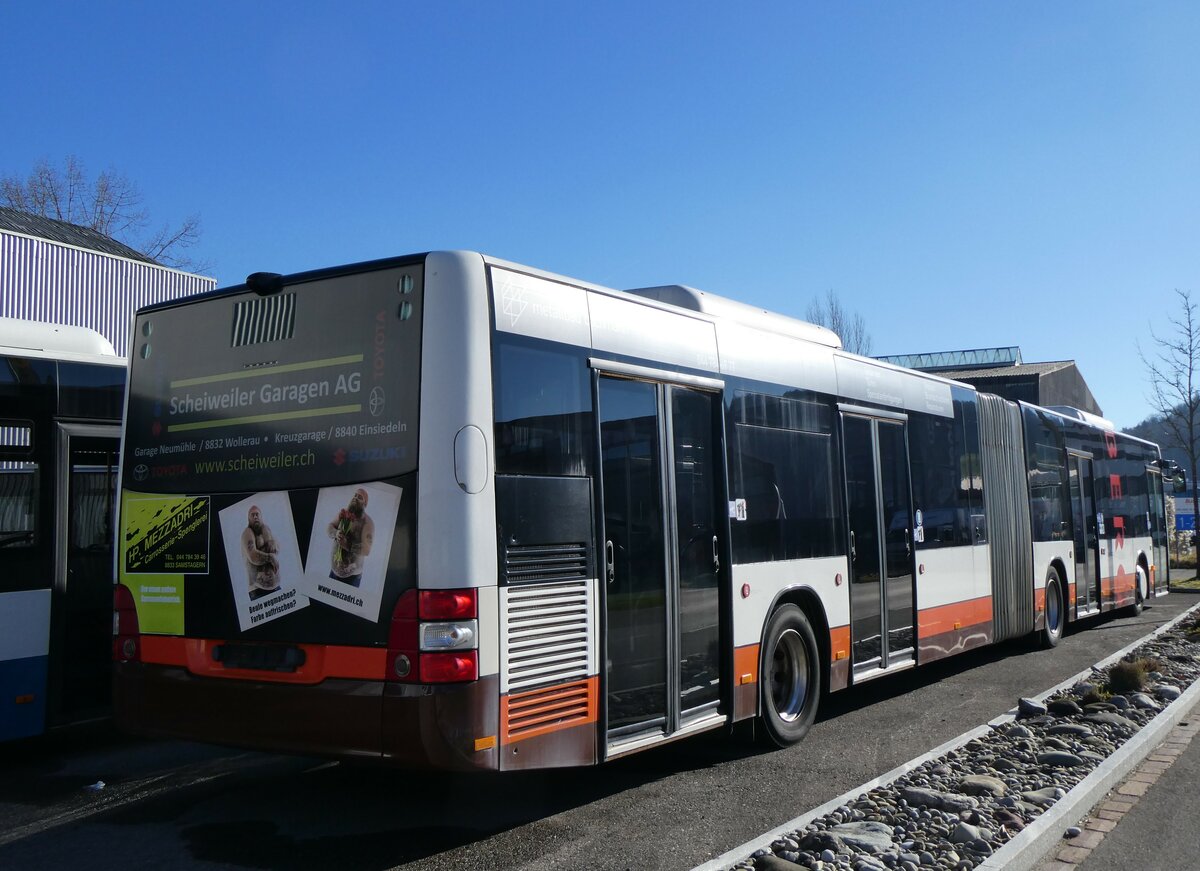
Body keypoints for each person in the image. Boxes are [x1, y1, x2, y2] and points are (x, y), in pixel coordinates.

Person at [327, 487, 374, 587]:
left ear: (365, 504)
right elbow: (330, 526)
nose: (355, 498)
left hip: (351, 579)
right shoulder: (343, 513)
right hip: (333, 573)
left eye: (360, 497)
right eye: (355, 495)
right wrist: (336, 533)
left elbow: (367, 550)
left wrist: (347, 545)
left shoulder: (367, 523)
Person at [241, 505, 280, 601]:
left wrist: (272, 541)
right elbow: (253, 556)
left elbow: (276, 550)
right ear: (248, 519)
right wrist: (270, 558)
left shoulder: (266, 530)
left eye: (257, 514)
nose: (255, 517)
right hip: (258, 592)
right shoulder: (247, 533)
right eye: (252, 515)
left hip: (276, 588)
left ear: (261, 516)